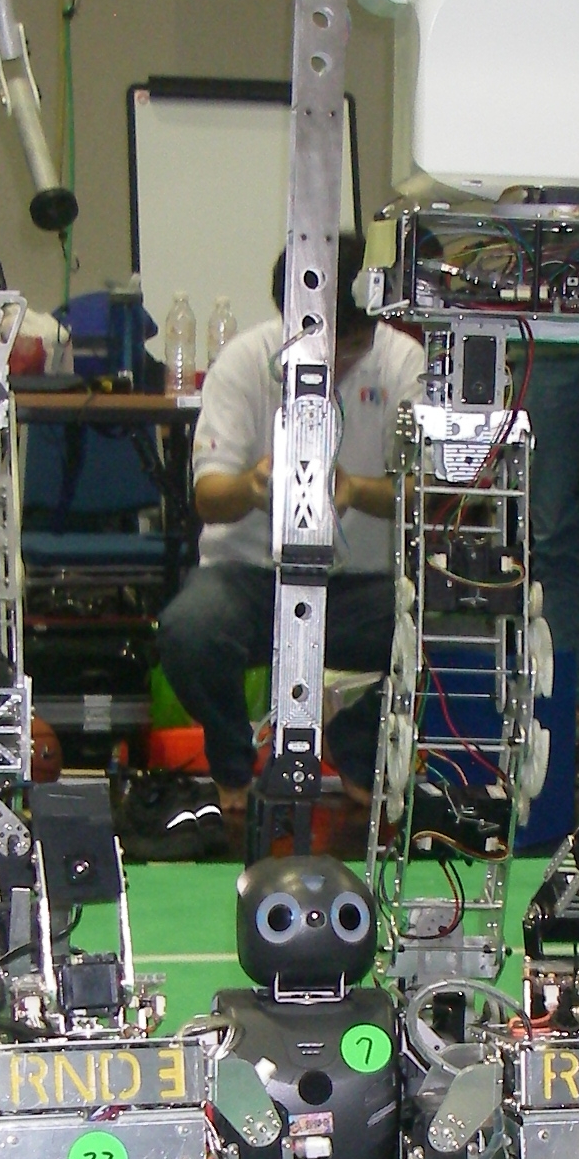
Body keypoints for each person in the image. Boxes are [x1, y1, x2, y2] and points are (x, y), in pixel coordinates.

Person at [157, 235, 424, 821]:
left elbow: (426, 496)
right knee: (189, 631)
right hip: (251, 577)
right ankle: (231, 762)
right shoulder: (245, 362)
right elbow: (208, 497)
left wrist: (356, 490)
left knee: (452, 634)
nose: (336, 366)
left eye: (349, 350)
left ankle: (358, 748)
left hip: (361, 586)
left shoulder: (404, 362)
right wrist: (253, 486)